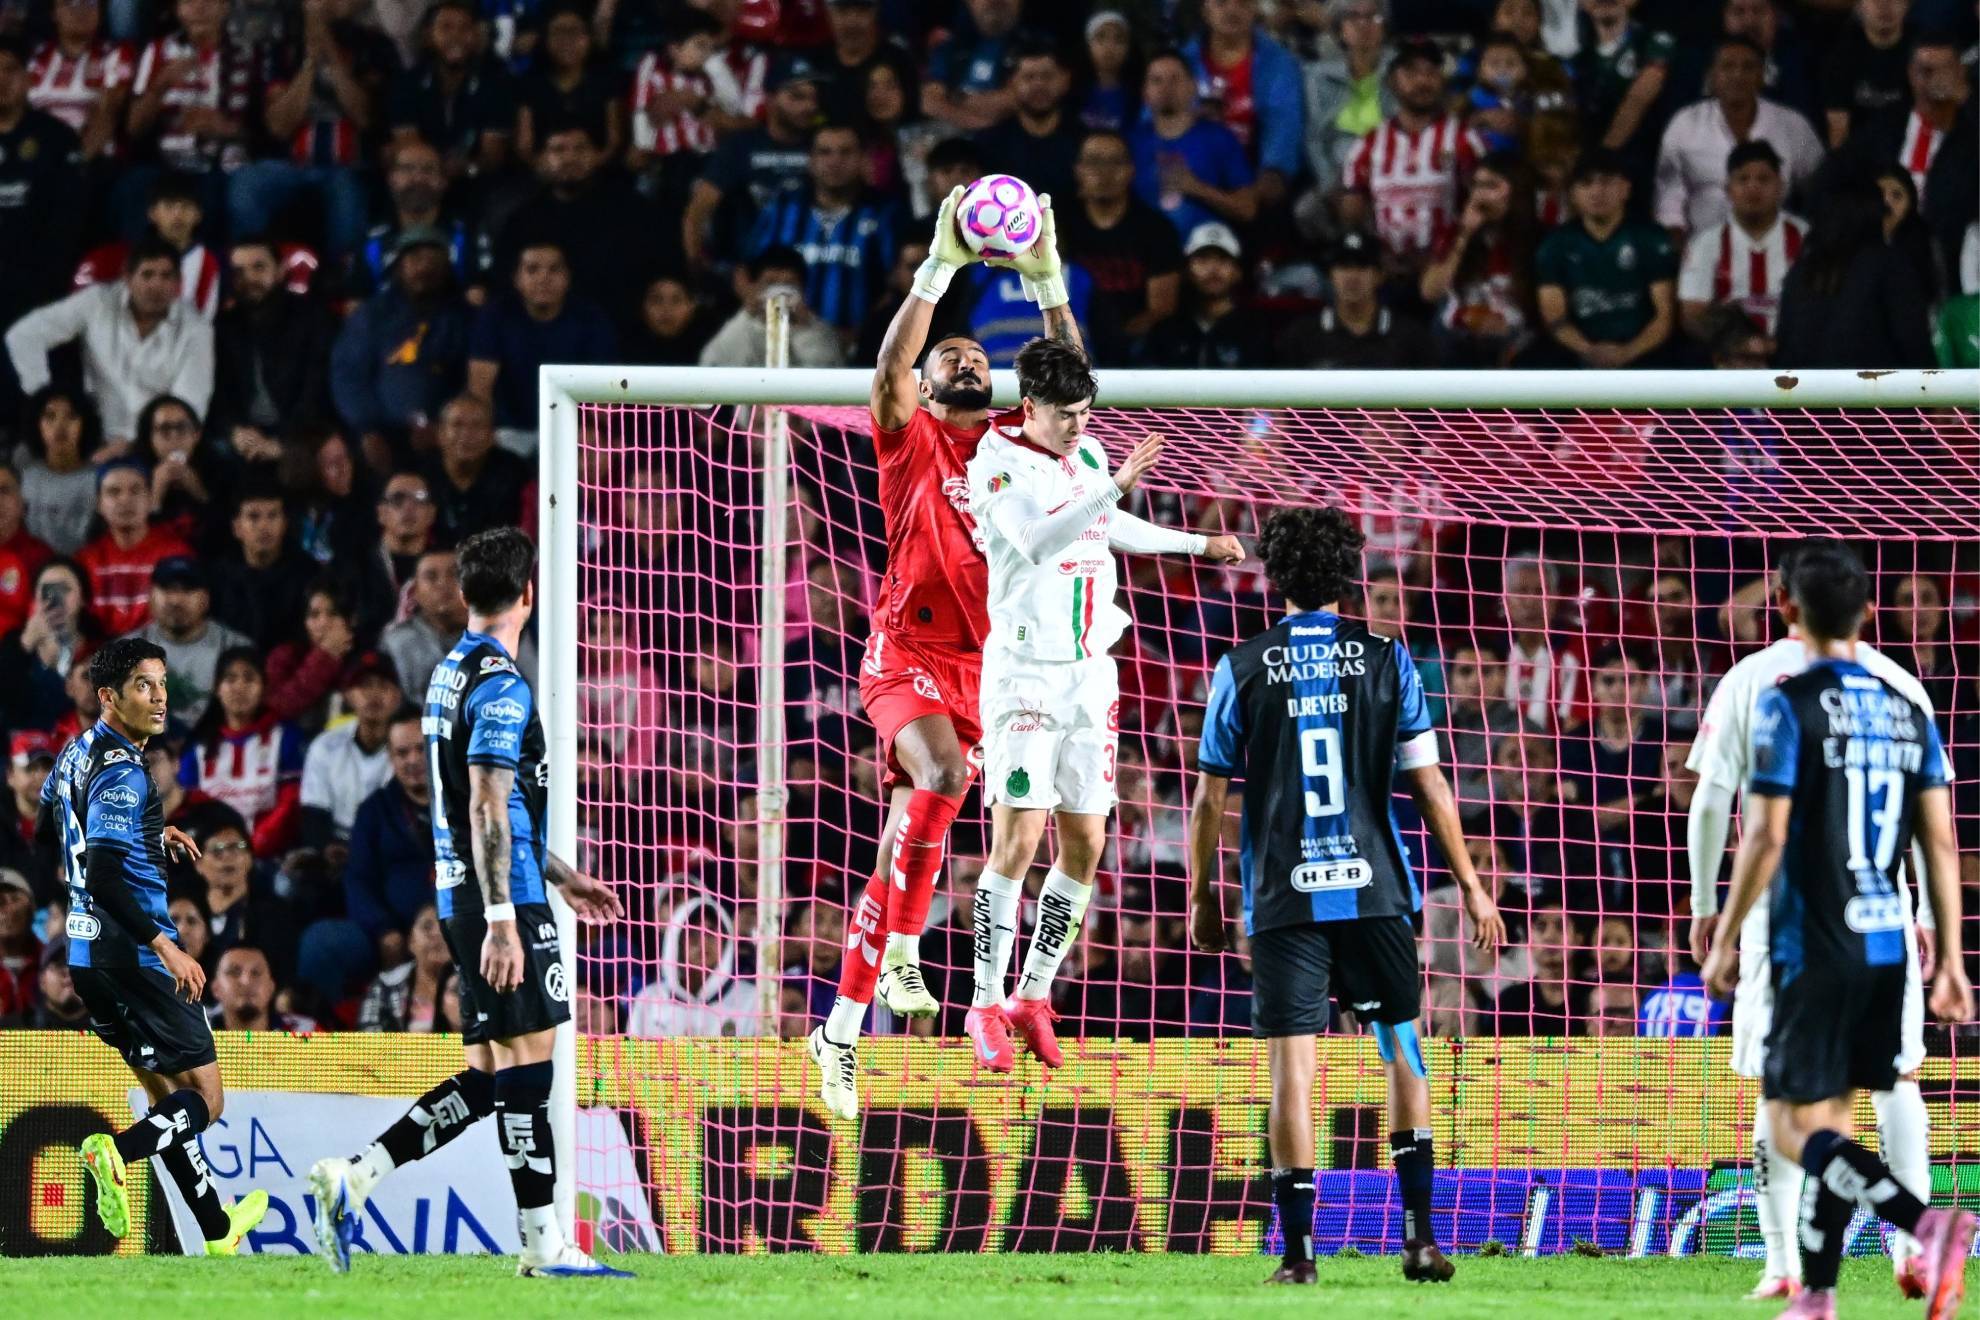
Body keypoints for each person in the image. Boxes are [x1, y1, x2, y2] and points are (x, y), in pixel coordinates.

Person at [804, 180, 1078, 1122]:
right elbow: (886, 373)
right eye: (945, 355)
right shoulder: (910, 439)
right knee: (944, 775)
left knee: (949, 827)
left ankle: (842, 1024)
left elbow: (1072, 390)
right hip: (906, 652)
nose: (962, 360)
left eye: (974, 353)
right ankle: (901, 960)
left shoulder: (1020, 446)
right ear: (925, 382)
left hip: (996, 670)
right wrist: (940, 265)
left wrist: (1048, 284)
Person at [1186, 505, 1505, 1286]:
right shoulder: (1390, 658)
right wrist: (1470, 885)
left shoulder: (1242, 665)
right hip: (1376, 891)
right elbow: (1429, 785)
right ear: (1347, 576)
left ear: (1276, 579)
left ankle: (1297, 1258)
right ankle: (1422, 1240)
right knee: (1402, 1053)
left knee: (1292, 1074)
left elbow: (1207, 799)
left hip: (1284, 899)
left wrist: (1204, 894)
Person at [308, 527, 628, 1277]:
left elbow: (471, 803)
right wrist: (507, 921)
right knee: (529, 1064)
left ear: (461, 595)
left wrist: (557, 872)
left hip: (468, 891)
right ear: (529, 594)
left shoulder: (449, 672)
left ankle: (354, 1178)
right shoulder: (501, 684)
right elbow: (485, 804)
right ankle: (544, 1245)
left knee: (489, 1075)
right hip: (496, 904)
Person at [1700, 540, 1974, 1320]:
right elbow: (1941, 842)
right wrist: (1949, 954)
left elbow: (1765, 835)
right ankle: (1818, 1294)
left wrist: (1722, 936)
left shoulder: (1786, 701)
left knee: (1796, 1126)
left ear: (1785, 609)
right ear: (1870, 613)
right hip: (1888, 945)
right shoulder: (1906, 704)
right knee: (1846, 1115)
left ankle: (1928, 1226)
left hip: (1811, 944)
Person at [964, 337, 1239, 1074]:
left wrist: (1195, 543)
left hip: (1091, 673)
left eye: (1087, 414)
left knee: (1085, 844)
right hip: (1026, 676)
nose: (1079, 427)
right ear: (1030, 408)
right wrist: (1112, 483)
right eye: (1065, 417)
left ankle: (1032, 994)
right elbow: (1036, 539)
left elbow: (1103, 527)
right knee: (1016, 845)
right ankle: (983, 1002)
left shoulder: (1084, 457)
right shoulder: (996, 462)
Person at [37, 636, 269, 1253]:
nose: (160, 697)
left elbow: (48, 832)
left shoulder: (74, 754)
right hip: (137, 957)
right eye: (145, 685)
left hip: (87, 958)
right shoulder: (122, 767)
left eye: (163, 684)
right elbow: (108, 872)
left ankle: (215, 1229)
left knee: (165, 1100)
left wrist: (144, 830)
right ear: (109, 696)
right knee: (206, 1099)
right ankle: (116, 1153)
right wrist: (167, 947)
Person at [6, 235, 216, 449]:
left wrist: (135, 445)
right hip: (93, 439)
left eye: (166, 276)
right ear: (127, 277)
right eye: (147, 275)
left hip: (157, 446)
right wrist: (44, 399)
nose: (156, 285)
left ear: (178, 282)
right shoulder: (98, 302)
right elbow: (23, 336)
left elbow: (189, 404)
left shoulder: (196, 329)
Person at [1652, 36, 1822, 240]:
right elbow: (1668, 196)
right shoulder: (1685, 125)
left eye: (1748, 67)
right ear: (1712, 76)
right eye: (1727, 67)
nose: (1738, 75)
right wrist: (1680, 251)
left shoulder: (1794, 126)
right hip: (1701, 250)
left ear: (1762, 76)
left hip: (1777, 249)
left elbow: (1820, 188)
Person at [1340, 39, 1483, 277]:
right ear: (1392, 81)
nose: (1422, 81)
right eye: (1411, 72)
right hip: (1386, 270)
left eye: (1431, 73)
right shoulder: (1368, 144)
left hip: (1447, 270)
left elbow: (1480, 204)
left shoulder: (1465, 140)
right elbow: (1352, 206)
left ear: (1442, 80)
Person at [1534, 147, 1677, 368]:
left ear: (1625, 188)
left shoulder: (1651, 238)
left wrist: (1626, 353)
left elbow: (1664, 317)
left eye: (1606, 182)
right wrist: (1590, 351)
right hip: (1578, 355)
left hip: (1644, 354)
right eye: (1586, 183)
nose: (1597, 191)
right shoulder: (1554, 246)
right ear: (1572, 193)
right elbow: (1555, 319)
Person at [1773, 180, 1933, 368]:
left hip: (1806, 393)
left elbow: (1784, 349)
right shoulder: (1891, 265)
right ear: (1874, 214)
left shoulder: (1802, 271)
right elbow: (1914, 346)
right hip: (1875, 392)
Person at [1056, 127, 1184, 346]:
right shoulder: (1059, 224)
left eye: (1115, 162)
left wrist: (1114, 343)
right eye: (1094, 162)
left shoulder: (1157, 229)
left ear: (1131, 170)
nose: (1104, 172)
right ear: (1078, 170)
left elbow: (1161, 309)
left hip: (1134, 345)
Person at [1676, 140, 1806, 341]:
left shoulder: (1807, 237)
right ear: (1728, 189)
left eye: (1763, 180)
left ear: (1780, 187)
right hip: (1730, 358)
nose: (1753, 188)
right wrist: (1738, 345)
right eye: (1743, 179)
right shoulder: (1704, 243)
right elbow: (1692, 314)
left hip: (1795, 354)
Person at [1128, 49, 1258, 239]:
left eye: (1175, 79)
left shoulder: (1219, 138)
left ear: (1193, 87)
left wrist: (1197, 188)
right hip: (1145, 252)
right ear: (1145, 93)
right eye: (1157, 80)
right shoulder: (1131, 142)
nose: (1166, 87)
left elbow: (1248, 210)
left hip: (1205, 252)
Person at [1277, 229, 1436, 368]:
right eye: (1344, 267)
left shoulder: (1410, 338)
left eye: (1362, 266)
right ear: (1330, 276)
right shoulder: (1301, 337)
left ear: (1379, 276)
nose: (1352, 276)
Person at [1138, 222, 1273, 368]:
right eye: (1203, 259)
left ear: (1237, 272)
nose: (1213, 269)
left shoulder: (1254, 332)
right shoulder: (1166, 332)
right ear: (1186, 271)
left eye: (1223, 259)